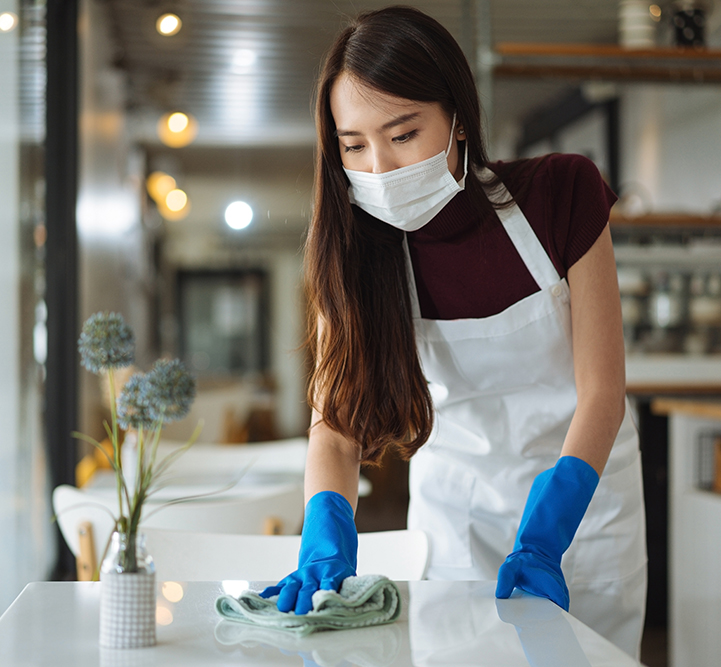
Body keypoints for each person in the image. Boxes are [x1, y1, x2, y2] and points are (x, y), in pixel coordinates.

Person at [260, 5, 647, 658]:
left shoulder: (561, 195)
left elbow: (603, 388)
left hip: (583, 508)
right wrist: (326, 533)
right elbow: (335, 424)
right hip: (456, 513)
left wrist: (547, 532)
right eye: (354, 145)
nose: (379, 168)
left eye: (404, 133)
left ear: (458, 118)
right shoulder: (354, 253)